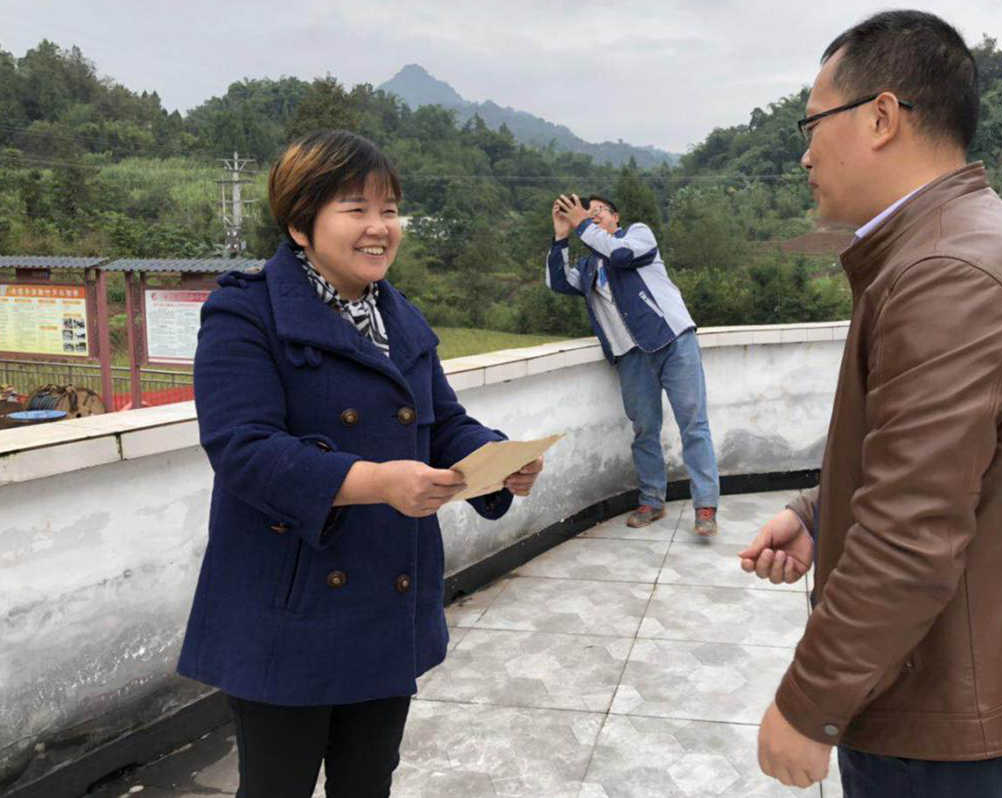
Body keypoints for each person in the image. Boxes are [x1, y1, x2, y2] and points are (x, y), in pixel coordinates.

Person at [737, 11, 1002, 795]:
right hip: (958, 700)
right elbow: (938, 463)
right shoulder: (950, 244)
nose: (804, 152)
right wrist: (819, 514)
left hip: (950, 733)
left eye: (812, 123)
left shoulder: (948, 272)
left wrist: (808, 705)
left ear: (881, 117)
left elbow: (910, 532)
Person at [176, 130, 543, 797]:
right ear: (300, 223)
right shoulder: (244, 313)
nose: (380, 227)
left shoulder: (399, 318)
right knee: (277, 786)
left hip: (382, 596)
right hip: (288, 605)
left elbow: (443, 423)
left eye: (389, 209)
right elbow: (242, 450)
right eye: (356, 209)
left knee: (368, 782)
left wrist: (495, 459)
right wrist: (377, 482)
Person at [547, 193, 721, 535]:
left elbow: (621, 255)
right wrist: (561, 235)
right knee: (644, 430)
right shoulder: (589, 268)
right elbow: (557, 281)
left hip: (673, 341)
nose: (592, 218)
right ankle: (652, 501)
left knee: (693, 424)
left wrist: (581, 223)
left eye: (598, 212)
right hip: (631, 356)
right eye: (587, 214)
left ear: (616, 216)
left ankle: (705, 505)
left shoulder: (637, 236)